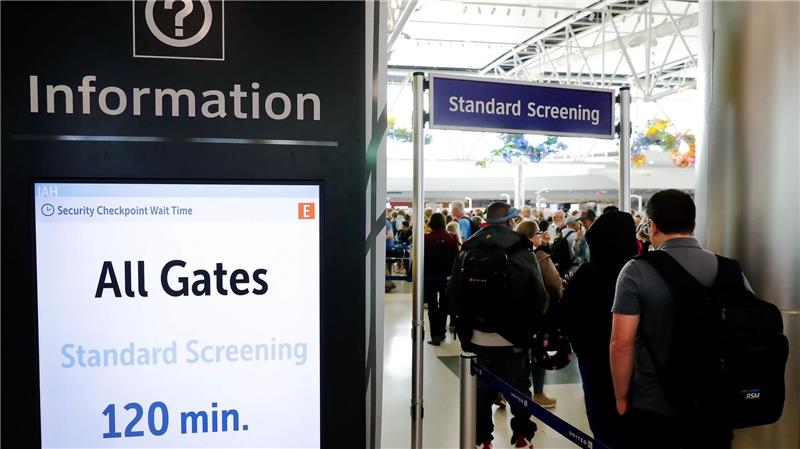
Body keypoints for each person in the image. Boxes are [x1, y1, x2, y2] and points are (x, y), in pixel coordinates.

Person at [610, 189, 737, 449]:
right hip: (715, 401)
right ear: (693, 223)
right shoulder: (728, 269)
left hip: (654, 404)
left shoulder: (637, 270)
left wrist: (621, 397)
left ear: (652, 226)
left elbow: (621, 342)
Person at [448, 202, 548, 449]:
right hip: (513, 337)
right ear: (511, 222)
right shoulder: (522, 252)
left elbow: (453, 292)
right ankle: (523, 436)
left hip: (477, 336)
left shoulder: (467, 250)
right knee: (519, 389)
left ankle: (482, 440)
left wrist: (464, 327)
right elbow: (539, 295)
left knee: (480, 393)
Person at [559, 211, 637, 448]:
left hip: (594, 360)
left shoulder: (588, 274)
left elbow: (566, 315)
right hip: (638, 363)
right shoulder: (640, 271)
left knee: (602, 420)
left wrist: (580, 346)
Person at [515, 220, 563, 408]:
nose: (541, 237)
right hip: (539, 311)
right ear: (531, 236)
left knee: (516, 356)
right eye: (538, 234)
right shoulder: (541, 256)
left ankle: (505, 392)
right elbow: (554, 282)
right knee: (538, 353)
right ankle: (539, 393)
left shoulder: (511, 253)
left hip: (518, 311)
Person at [424, 213, 459, 345]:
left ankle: (435, 336)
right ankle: (442, 332)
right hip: (446, 278)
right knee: (444, 305)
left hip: (430, 278)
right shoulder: (451, 238)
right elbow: (456, 258)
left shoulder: (426, 238)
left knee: (432, 306)